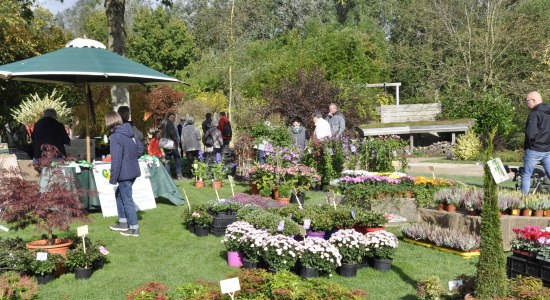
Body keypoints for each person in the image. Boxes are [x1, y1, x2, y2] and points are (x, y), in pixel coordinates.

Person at [105, 111, 144, 237]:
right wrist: (130, 158)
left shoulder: (115, 137)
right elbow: (140, 149)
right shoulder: (130, 131)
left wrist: (113, 178)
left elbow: (116, 160)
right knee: (119, 195)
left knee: (127, 199)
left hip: (124, 172)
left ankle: (134, 228)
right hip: (133, 170)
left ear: (108, 122)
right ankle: (123, 222)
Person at [521, 91, 550, 195]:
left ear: (533, 100)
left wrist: (528, 146)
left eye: (527, 101)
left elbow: (530, 133)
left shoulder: (534, 113)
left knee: (526, 175)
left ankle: (523, 200)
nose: (527, 103)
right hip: (547, 150)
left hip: (534, 149)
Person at [160, 112, 183, 180]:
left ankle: (167, 176)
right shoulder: (169, 123)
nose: (173, 119)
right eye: (172, 117)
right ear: (168, 117)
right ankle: (179, 175)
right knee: (177, 158)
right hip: (171, 144)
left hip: (165, 143)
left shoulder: (162, 123)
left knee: (167, 159)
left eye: (174, 118)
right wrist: (176, 140)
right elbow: (173, 134)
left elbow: (161, 133)